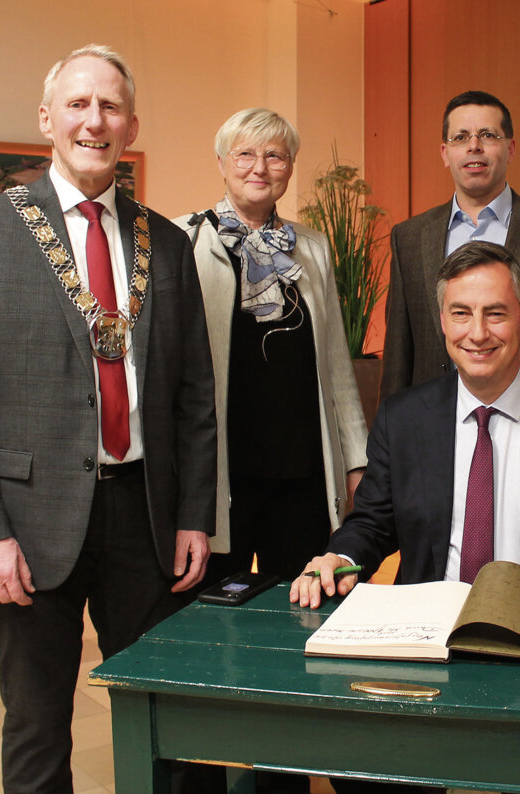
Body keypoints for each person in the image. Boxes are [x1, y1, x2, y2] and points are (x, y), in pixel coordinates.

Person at [0, 45, 216, 793]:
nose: (95, 121)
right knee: (37, 724)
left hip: (147, 518)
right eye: (79, 105)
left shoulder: (166, 242)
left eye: (111, 107)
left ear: (131, 126)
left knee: (167, 719)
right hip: (29, 524)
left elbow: (193, 396)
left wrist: (194, 515)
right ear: (46, 119)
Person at [293, 241, 520, 609]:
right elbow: (371, 525)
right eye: (461, 313)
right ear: (443, 321)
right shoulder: (402, 418)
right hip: (428, 623)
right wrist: (341, 558)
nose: (478, 333)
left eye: (495, 314)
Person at [176, 108, 368, 585]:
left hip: (301, 471)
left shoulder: (314, 247)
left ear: (290, 166)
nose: (259, 168)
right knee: (215, 610)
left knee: (303, 604)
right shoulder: (182, 241)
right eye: (244, 154)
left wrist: (357, 460)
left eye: (275, 156)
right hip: (222, 474)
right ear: (221, 162)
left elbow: (336, 364)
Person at [380, 90, 520, 400]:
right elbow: (397, 361)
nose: (474, 146)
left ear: (511, 148)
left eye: (488, 135)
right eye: (460, 137)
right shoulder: (409, 239)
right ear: (445, 153)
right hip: (432, 423)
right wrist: (390, 427)